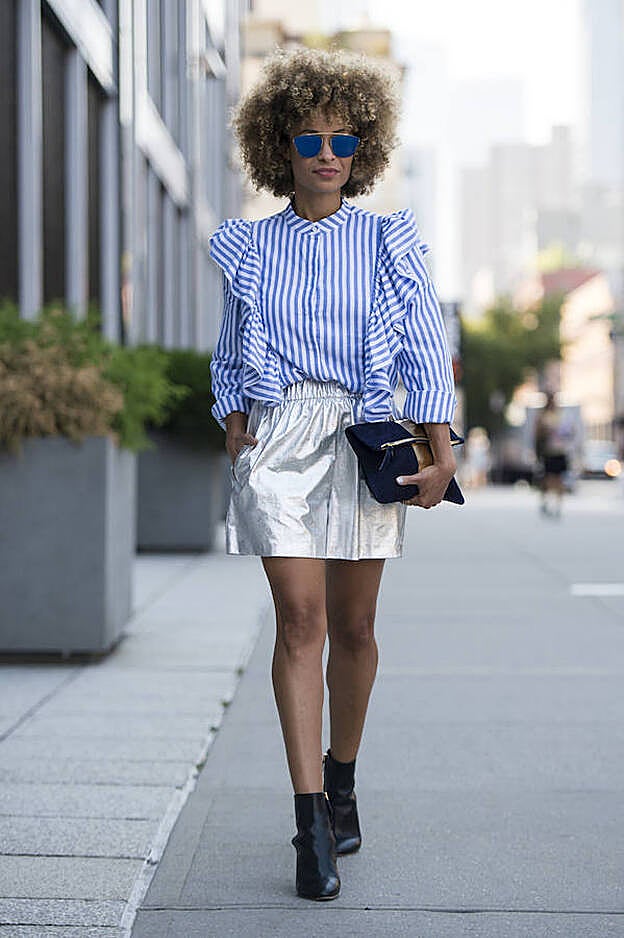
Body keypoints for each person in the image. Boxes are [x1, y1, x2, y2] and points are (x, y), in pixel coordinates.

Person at [209, 47, 457, 901]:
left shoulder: (389, 238)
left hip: (365, 435)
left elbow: (424, 341)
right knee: (299, 624)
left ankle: (343, 778)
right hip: (279, 442)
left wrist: (441, 443)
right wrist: (232, 417)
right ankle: (309, 817)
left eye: (343, 141)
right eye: (309, 138)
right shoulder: (245, 246)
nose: (326, 154)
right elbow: (231, 350)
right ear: (279, 146)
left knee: (353, 631)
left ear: (364, 150)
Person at [534, 391, 573, 518]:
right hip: (548, 452)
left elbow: (571, 431)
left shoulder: (562, 415)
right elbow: (537, 434)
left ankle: (558, 505)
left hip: (560, 451)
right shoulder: (542, 416)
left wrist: (565, 433)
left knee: (559, 479)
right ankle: (545, 501)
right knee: (548, 479)